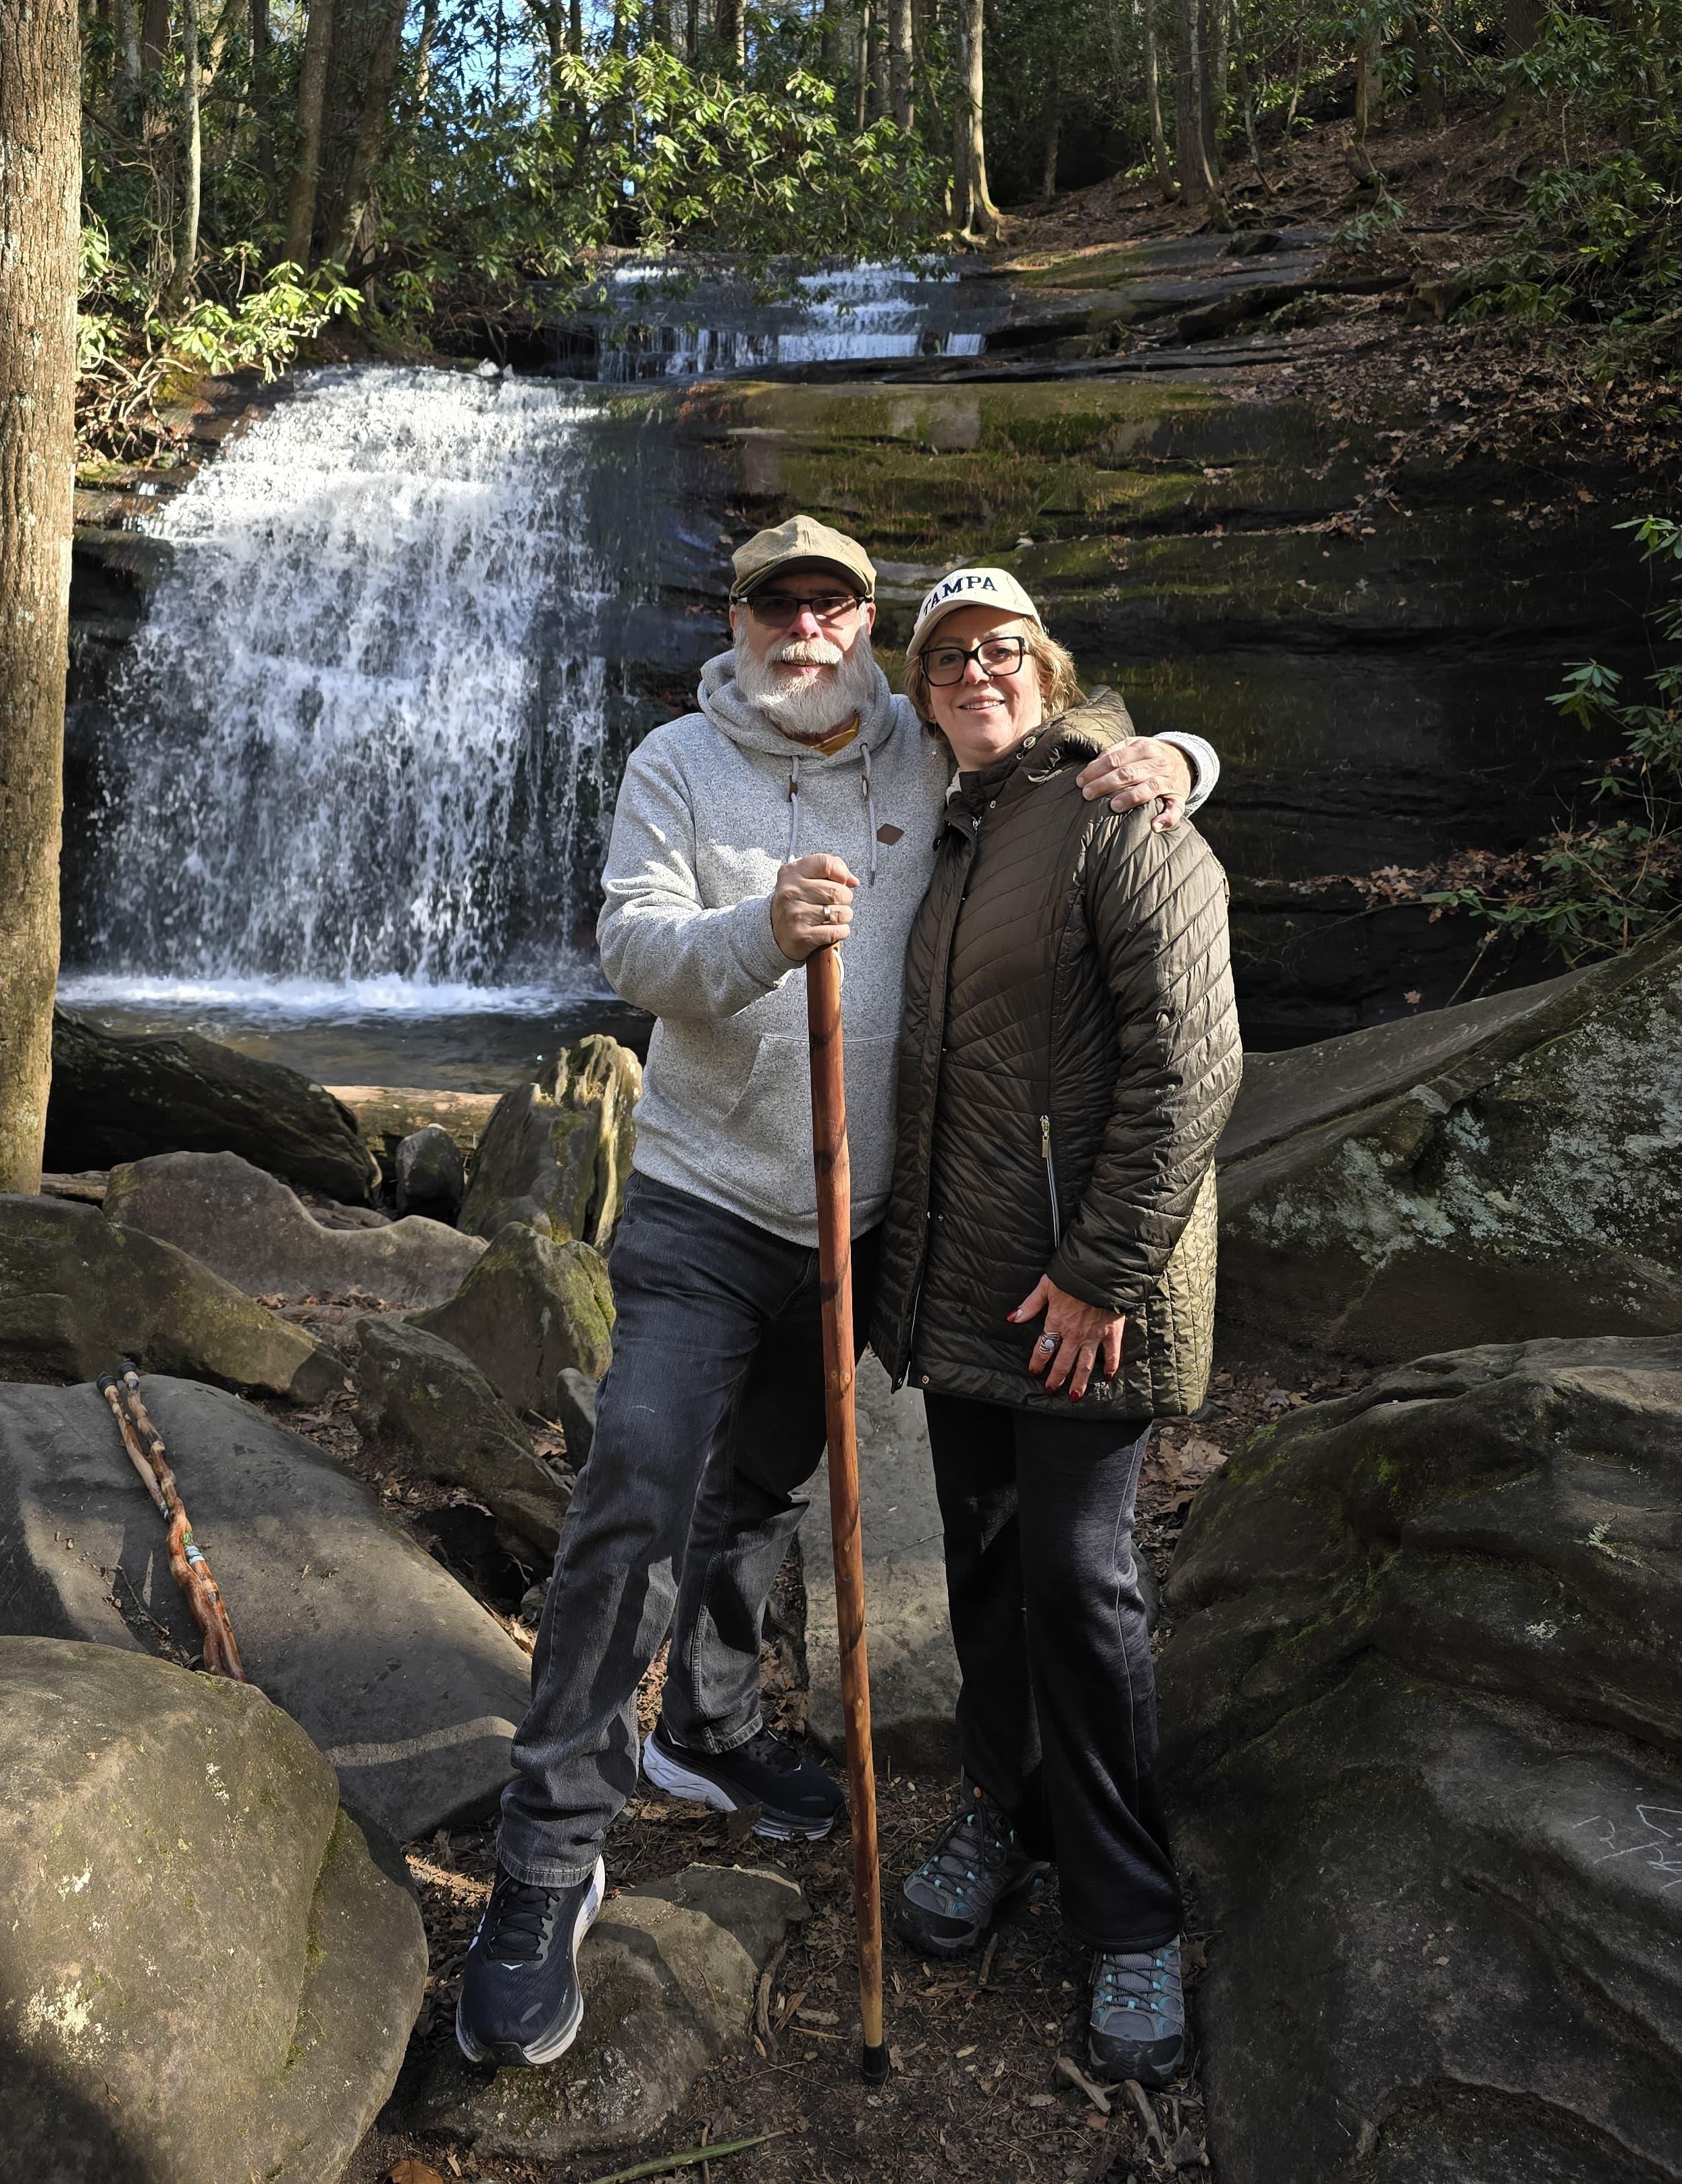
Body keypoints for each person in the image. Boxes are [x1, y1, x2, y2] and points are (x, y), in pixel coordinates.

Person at [456, 514, 1221, 2070]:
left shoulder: (930, 754)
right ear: (737, 617)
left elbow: (1063, 745)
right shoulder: (678, 761)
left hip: (866, 1227)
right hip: (706, 1203)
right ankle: (548, 1857)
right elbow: (631, 944)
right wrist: (757, 931)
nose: (805, 625)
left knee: (765, 1484)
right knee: (641, 1485)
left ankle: (713, 1728)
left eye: (835, 602)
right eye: (777, 601)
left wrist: (1181, 756)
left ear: (869, 626)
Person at [868, 564, 1241, 2093]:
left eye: (1003, 647)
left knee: (1079, 1586)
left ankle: (1129, 1906)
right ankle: (1005, 1812)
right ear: (921, 691)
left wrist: (1102, 1272)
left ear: (1051, 665)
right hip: (967, 1284)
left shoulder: (1119, 806)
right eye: (948, 655)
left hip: (1083, 1294)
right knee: (982, 1561)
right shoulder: (953, 827)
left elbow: (1193, 1059)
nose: (977, 670)